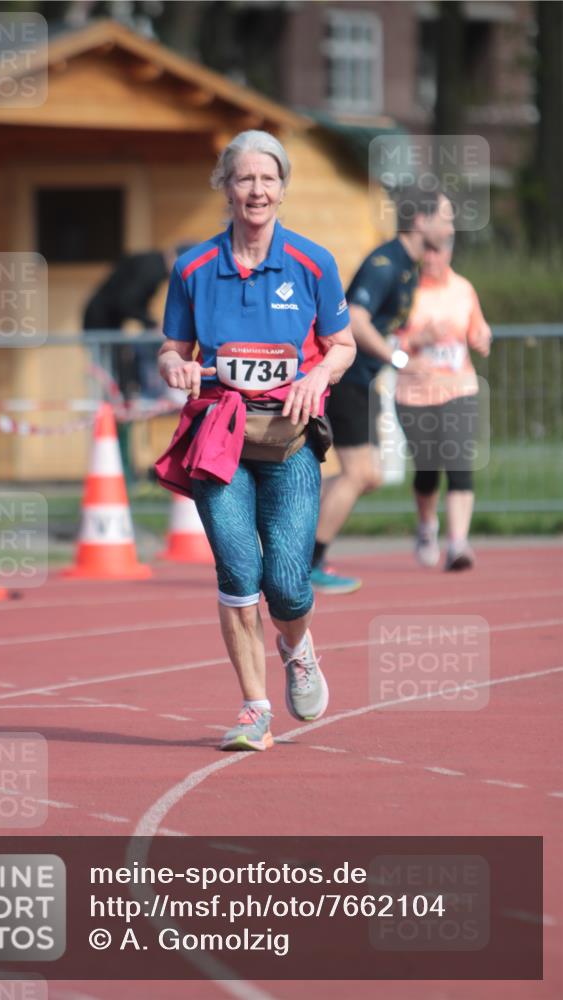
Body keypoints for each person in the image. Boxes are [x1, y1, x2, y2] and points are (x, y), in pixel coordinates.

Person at [156, 130, 356, 752]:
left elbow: (344, 344)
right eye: (244, 178)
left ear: (283, 187)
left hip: (290, 440)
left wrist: (319, 373)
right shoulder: (193, 268)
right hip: (220, 440)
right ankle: (253, 708)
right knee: (238, 570)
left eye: (267, 179)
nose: (257, 190)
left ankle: (297, 646)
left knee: (289, 583)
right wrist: (179, 368)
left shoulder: (313, 263)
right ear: (226, 186)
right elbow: (171, 348)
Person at [310, 186, 456, 593]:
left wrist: (415, 343)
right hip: (345, 378)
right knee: (360, 474)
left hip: (364, 381)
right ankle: (308, 562)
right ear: (421, 220)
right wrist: (400, 360)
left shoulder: (409, 266)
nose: (451, 225)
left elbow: (384, 328)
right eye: (445, 216)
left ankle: (290, 516)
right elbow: (355, 319)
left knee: (368, 476)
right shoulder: (385, 263)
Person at [394, 237, 491, 570]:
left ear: (450, 251)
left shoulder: (463, 288)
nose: (433, 256)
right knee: (427, 470)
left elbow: (479, 329)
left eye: (440, 249)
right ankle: (426, 527)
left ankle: (458, 543)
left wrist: (481, 338)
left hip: (459, 389)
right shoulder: (406, 290)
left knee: (459, 462)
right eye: (428, 249)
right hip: (414, 394)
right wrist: (418, 339)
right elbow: (387, 340)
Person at [83, 247, 191, 398]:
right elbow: (127, 302)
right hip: (100, 321)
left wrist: (149, 322)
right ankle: (115, 405)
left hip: (107, 319)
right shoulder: (153, 269)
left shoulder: (154, 265)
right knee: (109, 371)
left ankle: (120, 400)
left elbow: (133, 302)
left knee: (118, 366)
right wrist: (152, 323)